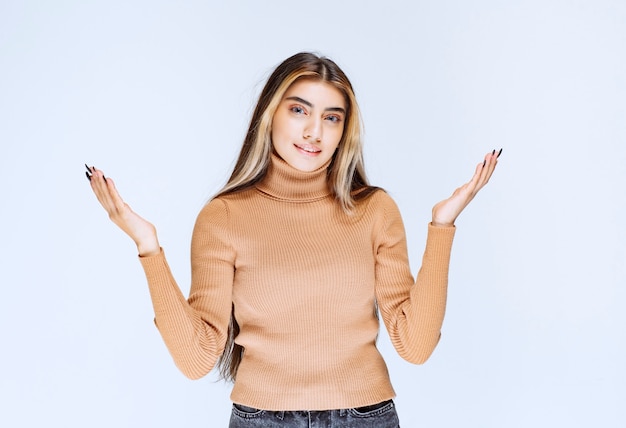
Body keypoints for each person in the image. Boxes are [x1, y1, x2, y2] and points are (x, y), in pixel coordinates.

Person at [86, 52, 500, 428]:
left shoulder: (374, 210)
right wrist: (148, 246)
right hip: (261, 419)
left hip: (365, 417)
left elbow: (416, 346)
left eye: (332, 117)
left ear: (344, 131)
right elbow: (196, 360)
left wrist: (442, 227)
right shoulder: (225, 216)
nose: (314, 131)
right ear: (270, 114)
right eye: (299, 110)